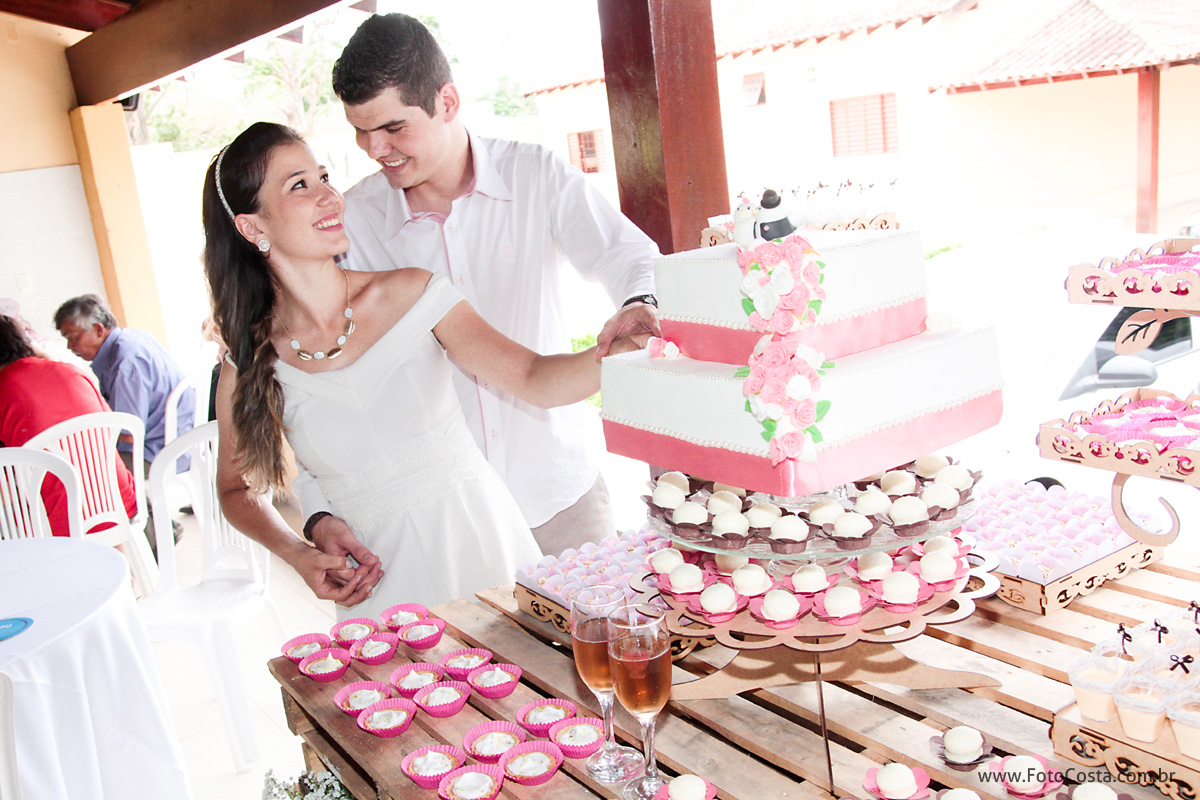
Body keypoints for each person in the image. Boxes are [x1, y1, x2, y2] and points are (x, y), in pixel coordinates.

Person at [204, 122, 641, 618]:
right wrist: (299, 551)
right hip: (377, 591)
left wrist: (622, 348)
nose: (329, 195)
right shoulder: (249, 361)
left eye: (324, 177)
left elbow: (534, 378)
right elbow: (235, 489)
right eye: (299, 185)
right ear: (253, 228)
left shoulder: (413, 292)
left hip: (483, 553)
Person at [290, 13, 661, 556]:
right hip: (444, 521)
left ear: (447, 102)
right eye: (360, 130)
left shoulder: (535, 176)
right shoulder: (355, 223)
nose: (374, 148)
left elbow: (630, 256)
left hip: (560, 495)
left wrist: (638, 303)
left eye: (393, 128)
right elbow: (321, 377)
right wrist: (317, 506)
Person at [53, 294, 195, 550]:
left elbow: (129, 433)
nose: (69, 347)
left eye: (72, 337)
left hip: (165, 447)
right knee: (100, 464)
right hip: (177, 433)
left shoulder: (125, 363)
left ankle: (157, 540)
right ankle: (162, 526)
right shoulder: (131, 337)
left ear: (98, 329)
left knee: (99, 475)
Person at [0, 314, 139, 536]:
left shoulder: (4, 389)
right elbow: (111, 427)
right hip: (118, 502)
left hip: (58, 523)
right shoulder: (71, 371)